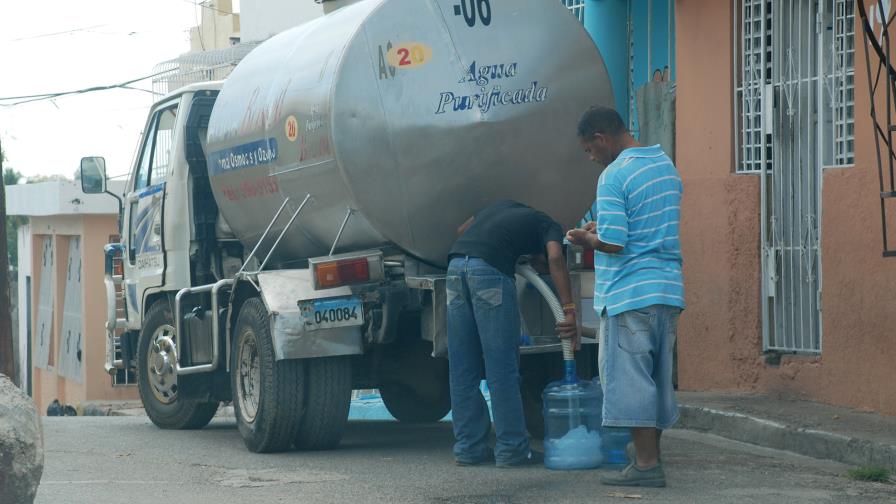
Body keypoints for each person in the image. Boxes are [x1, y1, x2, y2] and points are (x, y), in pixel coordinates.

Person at [564, 106, 685, 487]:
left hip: (630, 293)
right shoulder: (665, 165)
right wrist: (607, 229)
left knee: (631, 381)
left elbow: (614, 243)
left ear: (601, 138)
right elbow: (642, 224)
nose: (591, 158)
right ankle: (651, 456)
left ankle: (647, 466)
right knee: (656, 378)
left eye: (589, 150)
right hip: (667, 290)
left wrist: (586, 238)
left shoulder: (613, 175)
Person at [446, 199, 577, 468]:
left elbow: (462, 230)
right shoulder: (548, 224)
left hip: (455, 267)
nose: (539, 270)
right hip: (489, 274)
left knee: (462, 367)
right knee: (501, 367)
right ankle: (511, 449)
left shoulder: (498, 207)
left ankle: (469, 448)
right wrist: (569, 309)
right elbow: (554, 258)